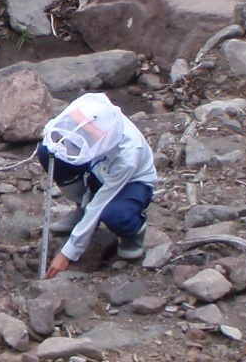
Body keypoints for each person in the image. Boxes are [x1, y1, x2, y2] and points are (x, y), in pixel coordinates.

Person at [39, 93, 157, 279]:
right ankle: (81, 207)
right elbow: (66, 122)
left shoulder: (128, 155)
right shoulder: (94, 110)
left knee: (114, 215)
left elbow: (100, 204)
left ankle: (135, 229)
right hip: (96, 165)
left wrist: (68, 253)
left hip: (130, 181)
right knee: (47, 152)